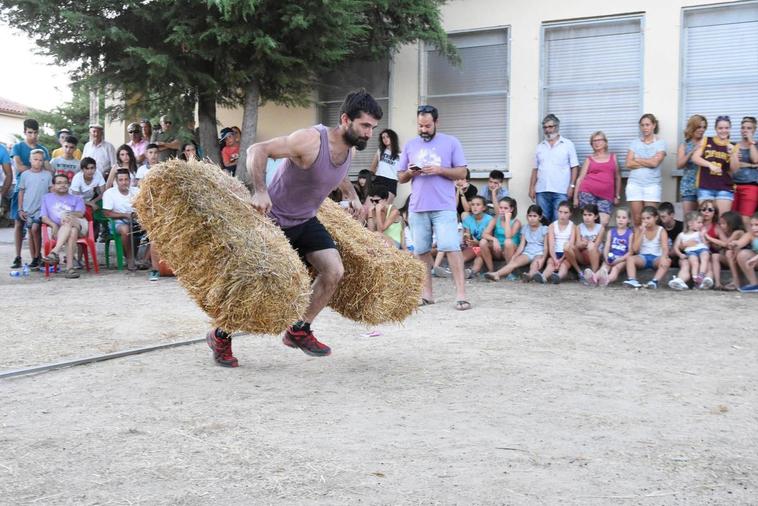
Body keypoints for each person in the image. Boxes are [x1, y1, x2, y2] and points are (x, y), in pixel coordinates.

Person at [206, 89, 381, 367]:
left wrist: (353, 196)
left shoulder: (348, 149)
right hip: (275, 221)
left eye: (373, 127)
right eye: (365, 126)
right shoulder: (310, 140)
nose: (370, 133)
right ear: (346, 119)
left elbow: (334, 174)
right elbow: (256, 150)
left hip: (305, 220)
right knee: (257, 287)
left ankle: (299, 329)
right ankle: (220, 334)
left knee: (334, 271)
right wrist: (261, 191)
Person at [396, 104, 471, 310]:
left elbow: (462, 172)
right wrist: (411, 173)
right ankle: (427, 295)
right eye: (420, 126)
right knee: (421, 251)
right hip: (417, 207)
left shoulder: (451, 142)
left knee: (451, 247)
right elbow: (401, 177)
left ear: (436, 122)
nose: (423, 130)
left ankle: (461, 295)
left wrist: (439, 170)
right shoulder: (411, 145)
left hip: (444, 206)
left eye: (427, 126)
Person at [10, 119, 50, 268]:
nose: (33, 135)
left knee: (36, 226)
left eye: (35, 132)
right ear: (25, 132)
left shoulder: (43, 149)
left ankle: (37, 256)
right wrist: (35, 169)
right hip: (21, 189)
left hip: (39, 192)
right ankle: (18, 256)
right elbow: (19, 167)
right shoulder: (18, 147)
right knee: (19, 223)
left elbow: (48, 168)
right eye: (29, 132)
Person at [529, 114, 579, 223]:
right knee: (543, 221)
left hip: (561, 190)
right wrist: (532, 187)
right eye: (545, 127)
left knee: (559, 221)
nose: (547, 130)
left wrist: (572, 186)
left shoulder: (568, 144)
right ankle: (546, 241)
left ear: (557, 127)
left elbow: (574, 167)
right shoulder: (540, 147)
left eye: (550, 127)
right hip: (542, 190)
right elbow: (535, 169)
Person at [484, 204, 547, 283]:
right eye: (530, 216)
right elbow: (521, 246)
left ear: (540, 217)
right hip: (527, 253)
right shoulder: (525, 228)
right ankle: (497, 274)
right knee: (514, 263)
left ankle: (529, 275)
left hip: (539, 253)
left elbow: (545, 247)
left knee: (534, 264)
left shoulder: (544, 229)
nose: (532, 218)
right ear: (527, 216)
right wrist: (514, 256)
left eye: (535, 216)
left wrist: (543, 258)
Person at [40, 174, 87, 278]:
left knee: (69, 222)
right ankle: (70, 269)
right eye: (59, 183)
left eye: (65, 183)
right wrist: (53, 225)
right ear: (53, 185)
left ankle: (55, 251)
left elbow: (80, 214)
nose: (63, 185)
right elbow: (43, 217)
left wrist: (68, 215)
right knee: (72, 231)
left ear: (69, 184)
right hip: (60, 230)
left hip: (79, 225)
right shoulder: (46, 198)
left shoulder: (76, 198)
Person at [626, 113, 667, 226]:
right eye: (642, 125)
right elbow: (628, 163)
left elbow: (655, 163)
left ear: (653, 125)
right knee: (637, 219)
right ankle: (638, 243)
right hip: (634, 184)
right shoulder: (635, 142)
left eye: (647, 125)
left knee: (650, 219)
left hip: (652, 185)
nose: (645, 128)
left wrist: (638, 159)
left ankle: (650, 244)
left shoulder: (660, 143)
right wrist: (648, 161)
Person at [573, 131, 620, 226]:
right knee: (590, 221)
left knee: (604, 222)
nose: (596, 143)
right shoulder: (589, 159)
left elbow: (617, 177)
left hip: (606, 195)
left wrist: (617, 195)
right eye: (594, 141)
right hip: (587, 192)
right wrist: (575, 198)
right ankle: (589, 241)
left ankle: (597, 241)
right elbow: (580, 179)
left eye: (599, 140)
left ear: (605, 142)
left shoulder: (613, 157)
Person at [691, 115, 735, 216]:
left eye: (726, 128)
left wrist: (732, 154)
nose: (723, 130)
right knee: (706, 218)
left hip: (724, 187)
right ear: (715, 128)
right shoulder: (706, 140)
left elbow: (734, 169)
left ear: (730, 128)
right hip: (705, 186)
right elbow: (695, 158)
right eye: (720, 128)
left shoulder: (733, 145)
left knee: (722, 220)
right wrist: (709, 165)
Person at [17, 149, 53, 270]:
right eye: (35, 159)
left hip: (41, 209)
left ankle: (38, 255)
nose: (38, 162)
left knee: (35, 228)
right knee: (31, 232)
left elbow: (50, 192)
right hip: (28, 209)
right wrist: (20, 209)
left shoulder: (47, 175)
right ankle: (35, 258)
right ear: (30, 160)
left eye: (40, 160)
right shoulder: (25, 175)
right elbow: (21, 192)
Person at [102, 170, 143, 272]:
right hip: (117, 222)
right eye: (121, 180)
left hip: (136, 220)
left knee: (155, 228)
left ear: (130, 180)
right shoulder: (110, 193)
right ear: (116, 181)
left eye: (126, 179)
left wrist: (136, 215)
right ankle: (130, 258)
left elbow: (144, 207)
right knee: (125, 229)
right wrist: (124, 215)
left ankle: (145, 260)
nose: (124, 182)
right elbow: (107, 213)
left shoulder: (137, 191)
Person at [623, 206, 670, 289]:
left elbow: (665, 247)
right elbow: (635, 249)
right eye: (643, 219)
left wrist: (663, 257)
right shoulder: (639, 230)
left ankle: (654, 281)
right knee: (630, 259)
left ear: (656, 218)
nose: (645, 221)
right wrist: (642, 232)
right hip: (643, 257)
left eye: (648, 218)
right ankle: (632, 280)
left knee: (667, 260)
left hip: (656, 258)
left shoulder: (661, 230)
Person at [668, 211, 712, 290]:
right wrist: (680, 254)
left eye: (701, 222)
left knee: (705, 258)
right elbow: (676, 247)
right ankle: (695, 279)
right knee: (693, 261)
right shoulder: (681, 235)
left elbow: (706, 245)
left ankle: (702, 276)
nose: (701, 224)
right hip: (691, 253)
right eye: (699, 222)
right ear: (690, 223)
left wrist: (703, 236)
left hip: (702, 250)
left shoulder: (699, 233)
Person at [480, 197, 521, 275]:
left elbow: (508, 236)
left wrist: (507, 220)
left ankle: (510, 272)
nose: (502, 210)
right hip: (497, 249)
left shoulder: (516, 222)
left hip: (510, 251)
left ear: (511, 209)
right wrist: (494, 239)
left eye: (505, 208)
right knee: (483, 242)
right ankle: (491, 271)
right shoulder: (495, 219)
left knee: (508, 241)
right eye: (501, 207)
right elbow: (484, 234)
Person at [705, 210, 745, 291]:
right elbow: (721, 247)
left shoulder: (738, 232)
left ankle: (736, 281)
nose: (721, 226)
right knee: (715, 256)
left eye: (723, 224)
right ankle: (717, 283)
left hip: (740, 260)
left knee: (729, 253)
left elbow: (726, 244)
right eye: (720, 224)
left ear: (732, 223)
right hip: (730, 260)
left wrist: (709, 238)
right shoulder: (725, 233)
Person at [565, 203, 604, 285]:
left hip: (595, 256)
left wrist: (586, 243)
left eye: (590, 215)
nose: (587, 217)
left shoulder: (600, 227)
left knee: (591, 246)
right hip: (582, 256)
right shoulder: (579, 227)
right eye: (585, 215)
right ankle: (580, 272)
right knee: (567, 246)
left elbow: (596, 245)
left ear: (596, 216)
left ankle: (593, 275)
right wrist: (582, 244)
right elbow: (577, 244)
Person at [594, 207, 633, 287]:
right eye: (618, 217)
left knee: (615, 269)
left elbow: (630, 252)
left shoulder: (630, 233)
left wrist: (619, 260)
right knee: (604, 267)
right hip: (611, 257)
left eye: (624, 218)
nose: (620, 220)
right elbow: (607, 246)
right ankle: (594, 279)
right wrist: (606, 257)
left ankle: (607, 280)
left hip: (622, 259)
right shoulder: (611, 232)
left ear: (629, 220)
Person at [677, 115, 707, 215]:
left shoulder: (707, 142)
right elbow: (679, 165)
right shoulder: (684, 145)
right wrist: (691, 152)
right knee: (689, 218)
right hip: (688, 186)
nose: (702, 130)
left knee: (703, 218)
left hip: (704, 185)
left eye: (703, 127)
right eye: (699, 127)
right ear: (692, 127)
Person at [731, 116, 758, 226]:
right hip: (733, 186)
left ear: (754, 130)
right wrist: (753, 165)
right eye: (743, 128)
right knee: (732, 219)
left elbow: (756, 159)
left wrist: (751, 142)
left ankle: (748, 242)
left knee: (745, 219)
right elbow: (732, 165)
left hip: (750, 186)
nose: (745, 130)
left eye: (749, 128)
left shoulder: (756, 145)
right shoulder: (734, 145)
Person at [541, 200, 575, 284]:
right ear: (557, 212)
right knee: (550, 263)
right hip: (555, 253)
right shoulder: (552, 226)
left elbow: (571, 243)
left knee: (564, 265)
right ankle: (543, 276)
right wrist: (555, 258)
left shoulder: (573, 226)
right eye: (560, 212)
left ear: (570, 214)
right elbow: (551, 244)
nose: (562, 215)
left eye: (566, 213)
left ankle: (558, 277)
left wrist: (561, 259)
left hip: (566, 254)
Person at [460, 196, 493, 276]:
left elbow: (489, 239)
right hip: (476, 247)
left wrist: (477, 243)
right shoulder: (468, 219)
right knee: (461, 258)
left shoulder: (489, 219)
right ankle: (469, 272)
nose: (475, 207)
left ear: (484, 207)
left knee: (481, 248)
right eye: (473, 205)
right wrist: (467, 238)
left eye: (478, 205)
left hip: (488, 246)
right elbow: (468, 235)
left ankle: (478, 271)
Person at [369, 128, 400, 202]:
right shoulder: (380, 151)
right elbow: (372, 168)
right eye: (383, 137)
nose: (385, 139)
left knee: (386, 208)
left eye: (387, 137)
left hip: (392, 181)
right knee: (374, 206)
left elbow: (401, 173)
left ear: (393, 138)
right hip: (379, 179)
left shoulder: (400, 155)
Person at [735, 212, 758, 292]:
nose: (753, 228)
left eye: (756, 225)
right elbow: (739, 243)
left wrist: (755, 258)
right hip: (755, 261)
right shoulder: (750, 234)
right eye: (751, 225)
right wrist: (734, 243)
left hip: (755, 259)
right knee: (742, 254)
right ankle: (754, 285)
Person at [657, 202, 683, 267]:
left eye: (663, 216)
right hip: (661, 258)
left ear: (672, 215)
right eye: (660, 216)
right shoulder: (658, 226)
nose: (661, 219)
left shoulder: (681, 226)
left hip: (678, 259)